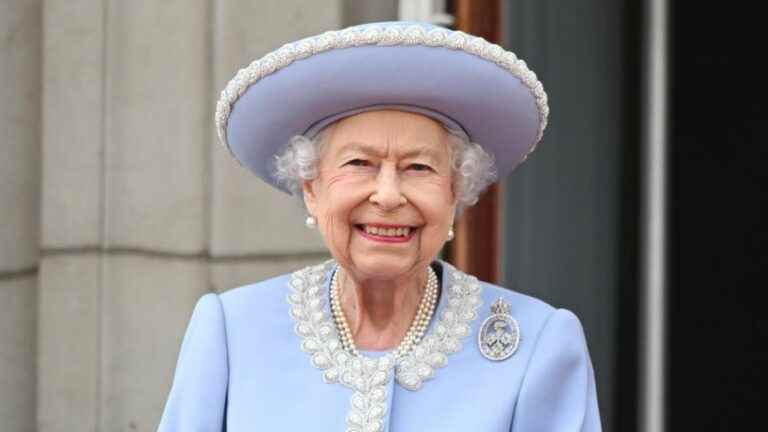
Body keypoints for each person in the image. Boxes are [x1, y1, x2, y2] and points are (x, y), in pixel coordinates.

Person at [158, 21, 601, 431]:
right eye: (359, 163)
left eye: (418, 168)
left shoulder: (536, 345)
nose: (388, 195)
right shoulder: (232, 331)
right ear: (311, 188)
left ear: (455, 192)